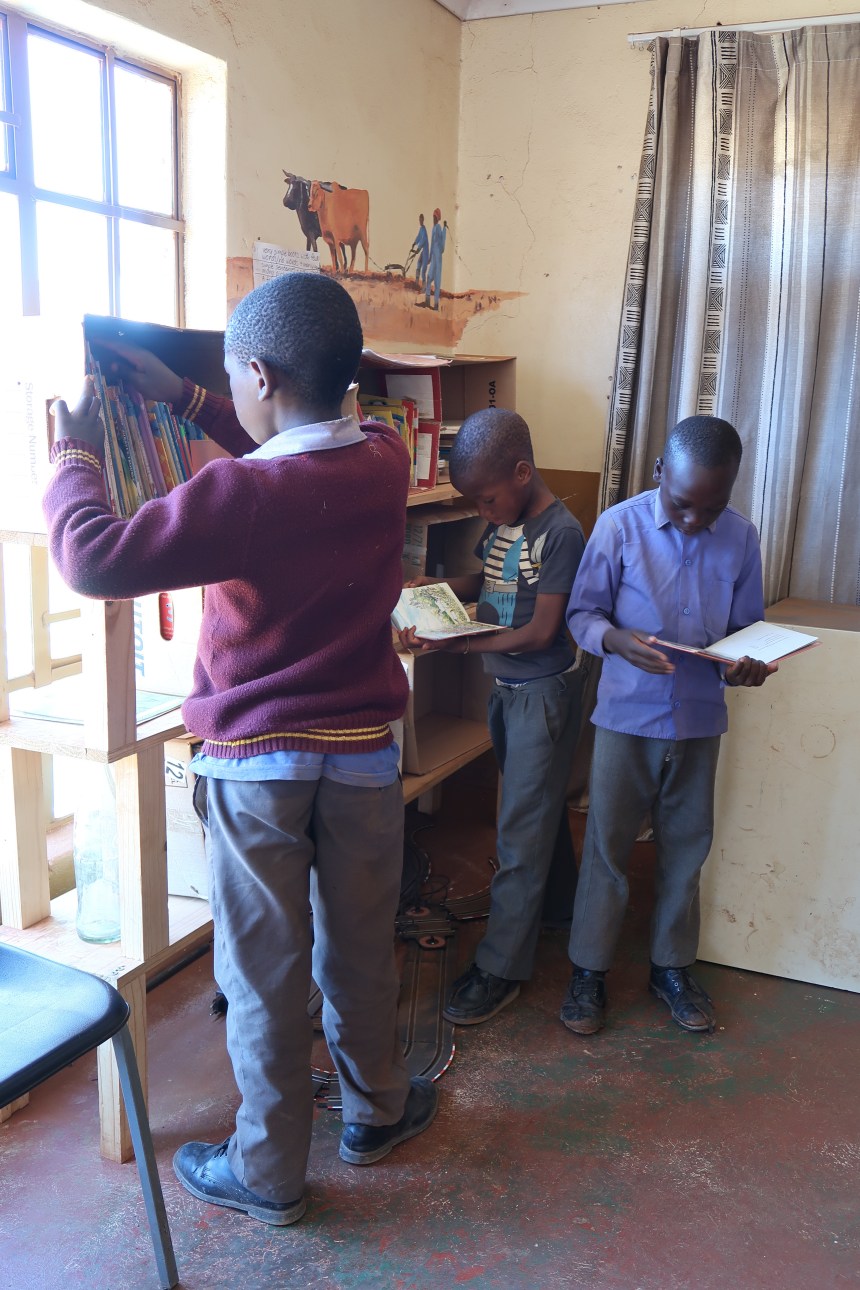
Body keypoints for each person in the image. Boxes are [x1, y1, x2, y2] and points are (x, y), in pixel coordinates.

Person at [43, 272, 438, 1226]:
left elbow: (93, 558)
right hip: (362, 757)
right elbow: (285, 444)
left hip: (258, 769)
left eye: (232, 378)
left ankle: (269, 1172)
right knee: (355, 948)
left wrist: (72, 453)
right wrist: (186, 396)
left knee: (263, 973)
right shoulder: (386, 458)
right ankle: (376, 1111)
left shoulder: (238, 495)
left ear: (257, 375)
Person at [560, 416, 776, 1038]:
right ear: (659, 473)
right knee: (607, 847)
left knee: (687, 848)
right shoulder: (619, 526)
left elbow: (747, 633)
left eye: (712, 507)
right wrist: (617, 642)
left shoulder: (741, 539)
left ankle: (671, 967)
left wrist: (745, 667)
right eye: (682, 504)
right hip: (627, 717)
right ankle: (588, 971)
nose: (694, 520)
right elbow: (582, 613)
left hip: (700, 719)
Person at [398, 408, 586, 1025]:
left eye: (487, 498)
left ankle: (501, 967)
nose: (484, 511)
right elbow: (488, 578)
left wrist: (460, 644)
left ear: (523, 472)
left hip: (542, 691)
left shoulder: (560, 533)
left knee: (518, 828)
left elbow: (539, 631)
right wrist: (439, 587)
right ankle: (559, 905)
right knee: (536, 808)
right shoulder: (506, 524)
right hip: (507, 691)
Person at [417, 208, 447, 311]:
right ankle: (427, 302)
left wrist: (444, 229)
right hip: (433, 258)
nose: (433, 219)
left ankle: (436, 305)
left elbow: (442, 245)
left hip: (438, 259)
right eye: (433, 217)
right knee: (429, 277)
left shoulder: (438, 228)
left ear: (438, 218)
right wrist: (429, 257)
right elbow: (432, 244)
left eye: (435, 217)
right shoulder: (433, 228)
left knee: (437, 282)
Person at [411, 213, 430, 287]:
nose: (420, 221)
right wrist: (414, 243)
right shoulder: (421, 229)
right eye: (419, 220)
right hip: (423, 251)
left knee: (423, 271)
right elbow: (419, 237)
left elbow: (423, 240)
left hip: (426, 252)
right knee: (418, 263)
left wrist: (418, 249)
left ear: (423, 220)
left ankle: (424, 287)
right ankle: (416, 282)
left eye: (421, 220)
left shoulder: (424, 230)